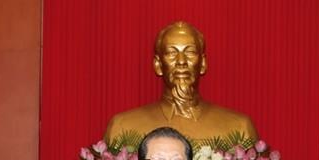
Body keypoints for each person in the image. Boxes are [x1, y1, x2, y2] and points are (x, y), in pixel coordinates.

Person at [105, 21, 258, 142]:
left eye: (190, 52)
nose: (181, 61)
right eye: (171, 53)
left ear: (203, 63)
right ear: (158, 65)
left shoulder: (239, 128)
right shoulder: (122, 127)